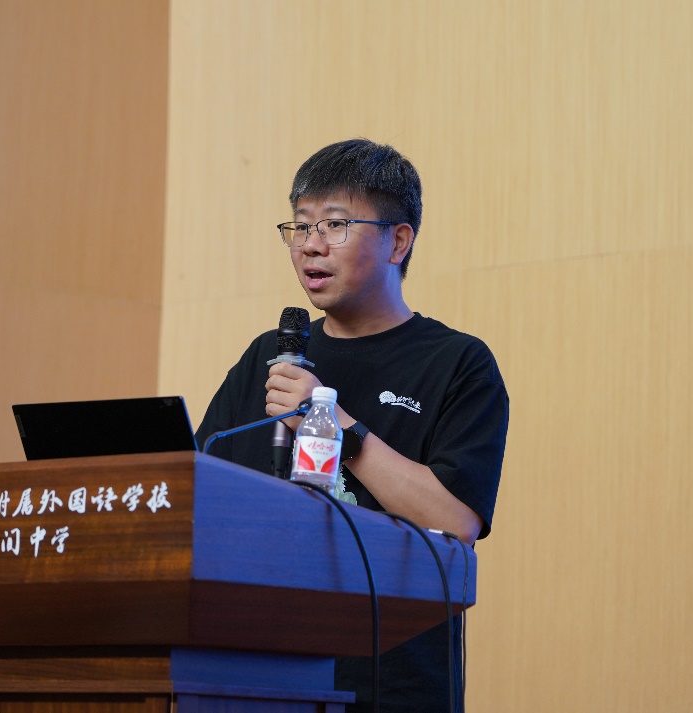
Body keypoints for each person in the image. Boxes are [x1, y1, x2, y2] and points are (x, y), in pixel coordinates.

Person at [195, 139, 509, 713]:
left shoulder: (457, 363)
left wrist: (335, 425)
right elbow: (201, 492)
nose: (310, 245)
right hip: (256, 670)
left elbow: (456, 521)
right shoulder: (269, 357)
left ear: (398, 241)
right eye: (300, 225)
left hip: (389, 681)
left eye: (336, 224)